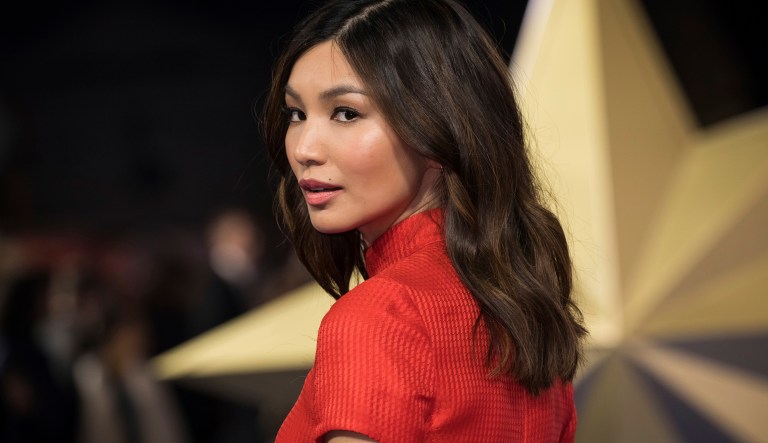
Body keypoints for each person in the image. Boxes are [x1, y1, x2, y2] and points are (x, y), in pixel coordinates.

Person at [261, 0, 588, 442]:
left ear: (438, 127)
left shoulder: (381, 316)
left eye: (346, 113)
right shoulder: (528, 313)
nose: (304, 149)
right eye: (296, 114)